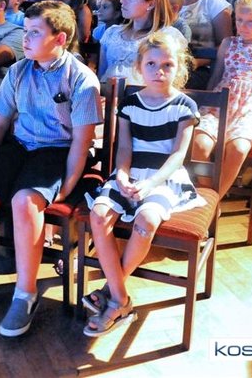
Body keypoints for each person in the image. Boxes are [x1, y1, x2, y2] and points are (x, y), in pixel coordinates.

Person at [0, 1, 101, 337]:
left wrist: (67, 187)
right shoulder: (18, 71)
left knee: (24, 201)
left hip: (57, 149)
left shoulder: (82, 80)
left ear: (60, 39)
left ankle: (25, 294)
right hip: (21, 145)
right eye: (25, 31)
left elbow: (81, 141)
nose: (25, 39)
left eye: (34, 33)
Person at [82, 32, 202, 337]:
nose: (159, 71)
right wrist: (122, 175)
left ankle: (112, 294)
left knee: (147, 219)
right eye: (151, 64)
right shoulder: (130, 104)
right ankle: (121, 299)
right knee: (99, 214)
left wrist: (150, 183)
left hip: (164, 177)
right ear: (139, 66)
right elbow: (124, 148)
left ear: (179, 67)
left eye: (167, 65)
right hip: (130, 172)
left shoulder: (185, 106)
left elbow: (177, 156)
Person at [191, 0, 252, 201]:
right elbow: (216, 76)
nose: (243, 26)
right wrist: (208, 101)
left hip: (251, 108)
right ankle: (208, 192)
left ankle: (215, 199)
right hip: (221, 103)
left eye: (251, 21)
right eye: (239, 20)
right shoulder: (228, 43)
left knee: (239, 148)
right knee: (200, 144)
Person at [98, 0, 186, 87]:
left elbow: (173, 80)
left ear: (151, 4)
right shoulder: (112, 33)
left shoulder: (168, 36)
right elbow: (101, 74)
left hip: (146, 96)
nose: (123, 1)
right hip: (108, 94)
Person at [172, 0, 233, 88]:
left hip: (202, 68)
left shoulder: (215, 5)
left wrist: (198, 62)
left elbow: (226, 46)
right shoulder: (166, 1)